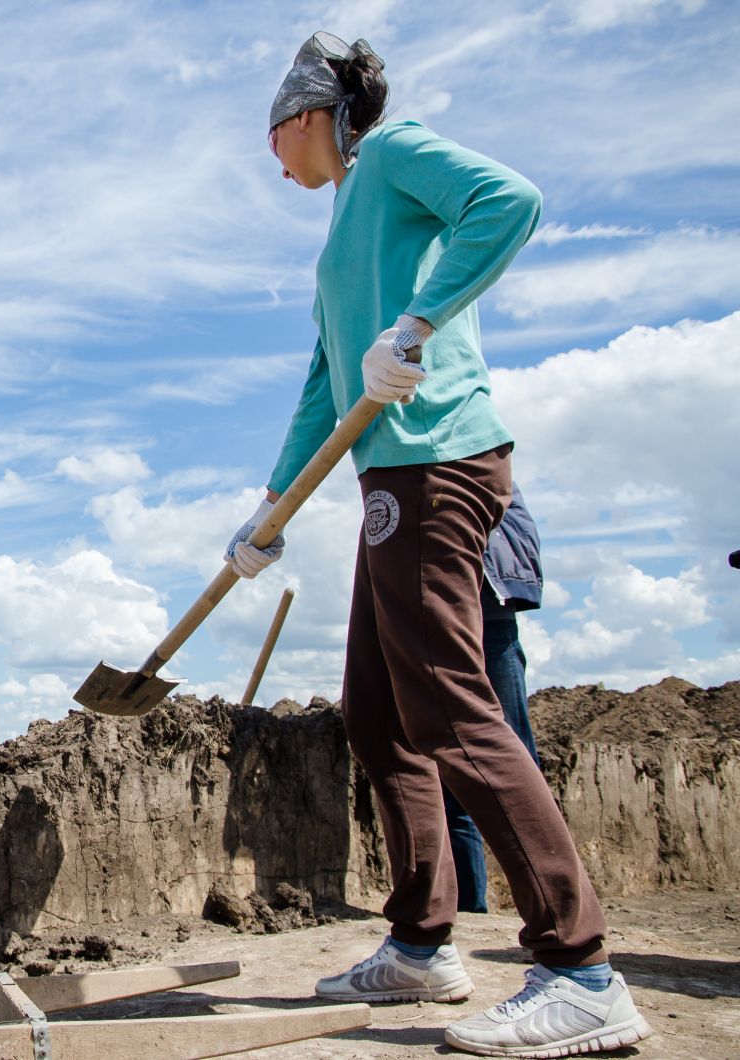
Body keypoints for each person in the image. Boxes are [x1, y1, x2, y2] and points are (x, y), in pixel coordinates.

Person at [226, 34, 650, 1057]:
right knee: (377, 713)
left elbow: (509, 201)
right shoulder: (344, 216)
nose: (275, 165)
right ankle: (422, 944)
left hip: (441, 462)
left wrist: (416, 322)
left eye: (273, 142)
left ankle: (578, 966)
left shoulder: (396, 153)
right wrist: (270, 507)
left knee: (451, 705)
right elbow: (328, 380)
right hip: (388, 479)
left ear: (306, 116)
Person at [445, 487, 543, 914]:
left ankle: (551, 907)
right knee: (451, 766)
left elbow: (509, 535)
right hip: (442, 616)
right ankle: (469, 910)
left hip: (488, 613)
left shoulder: (482, 466)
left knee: (513, 759)